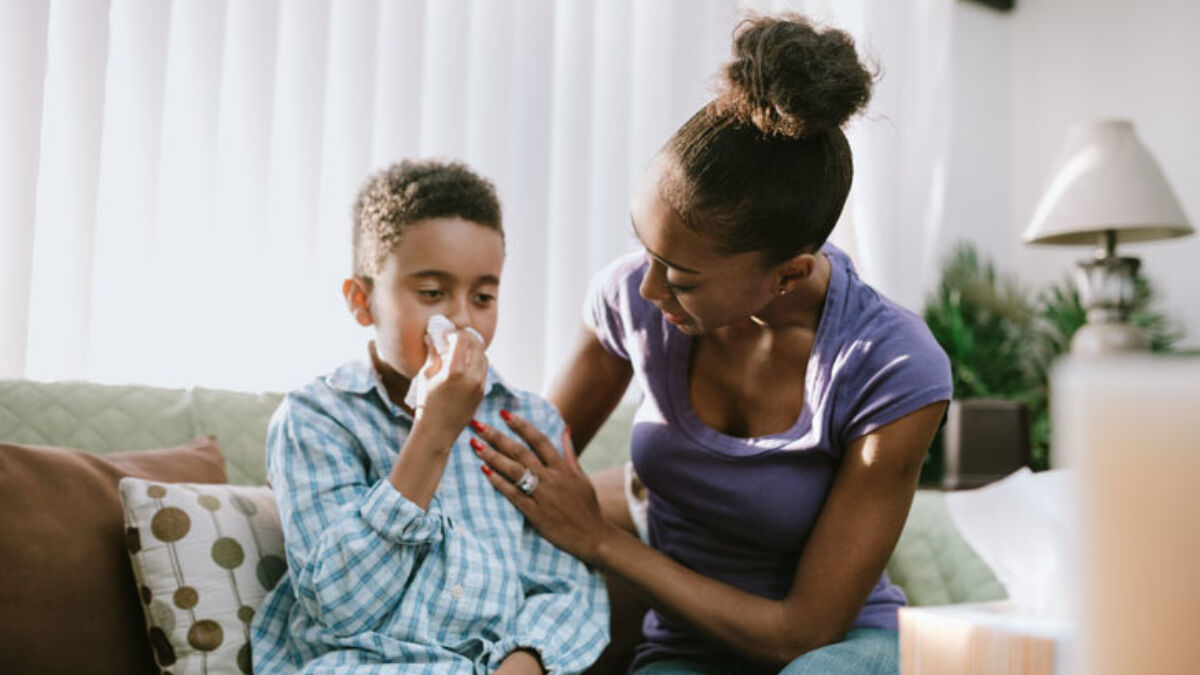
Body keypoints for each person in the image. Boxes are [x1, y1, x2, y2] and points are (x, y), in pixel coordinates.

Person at [469, 14, 951, 675]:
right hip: (687, 650)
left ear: (788, 272)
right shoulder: (629, 300)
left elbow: (801, 632)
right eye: (647, 247)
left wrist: (603, 542)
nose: (648, 289)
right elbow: (528, 465)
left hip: (837, 650)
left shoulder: (892, 366)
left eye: (683, 278)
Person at [250, 160, 609, 674]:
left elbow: (567, 586)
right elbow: (340, 607)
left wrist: (526, 662)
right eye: (432, 294)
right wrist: (434, 432)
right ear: (362, 302)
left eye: (484, 296)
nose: (463, 318)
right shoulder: (317, 420)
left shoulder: (527, 423)